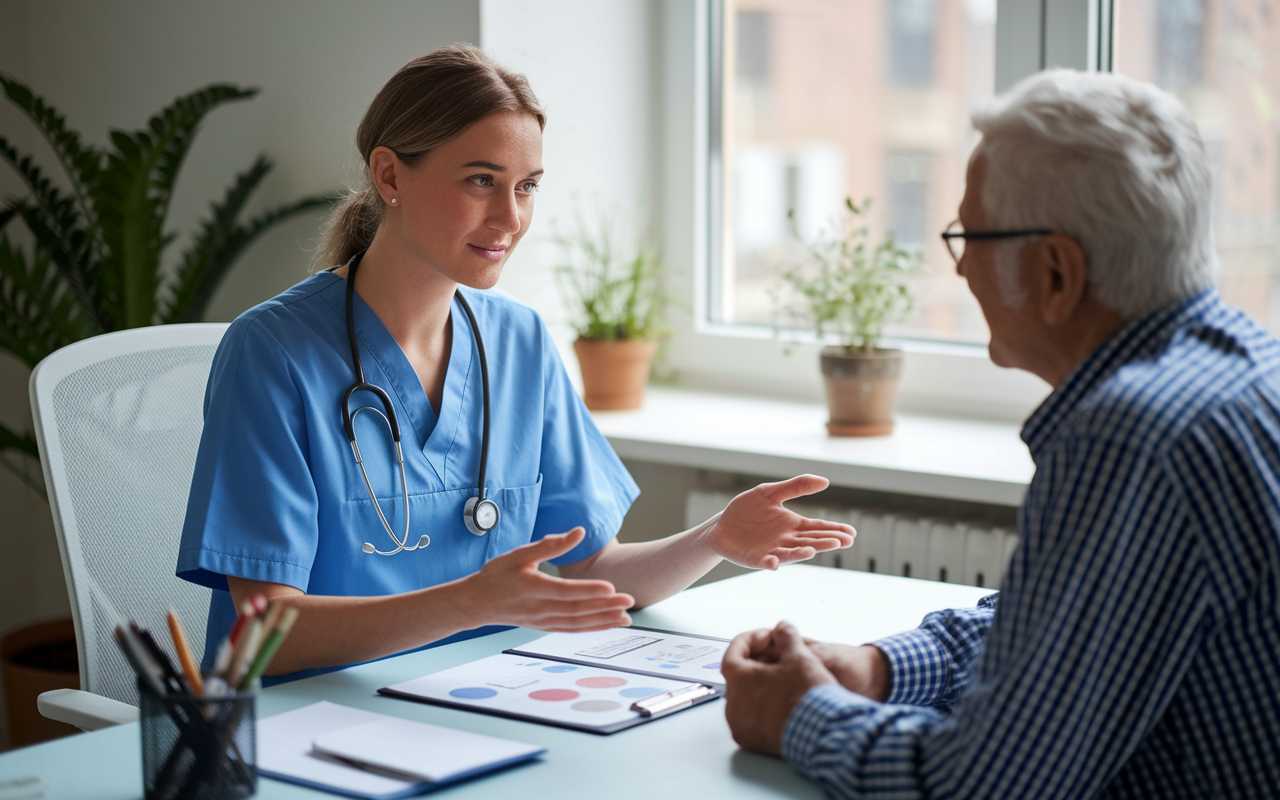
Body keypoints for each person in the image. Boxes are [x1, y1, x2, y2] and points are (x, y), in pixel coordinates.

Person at [176, 45, 854, 682]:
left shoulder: (519, 342)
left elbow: (592, 568)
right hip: (310, 727)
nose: (510, 217)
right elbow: (265, 635)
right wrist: (473, 602)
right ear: (389, 176)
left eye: (527, 186)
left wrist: (714, 536)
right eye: (480, 181)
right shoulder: (273, 353)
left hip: (477, 703)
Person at [721, 69, 1280, 798]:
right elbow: (1069, 627)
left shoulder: (1132, 435)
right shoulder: (1243, 364)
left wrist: (798, 714)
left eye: (969, 236)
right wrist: (883, 668)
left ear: (1055, 272)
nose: (959, 267)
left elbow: (985, 785)